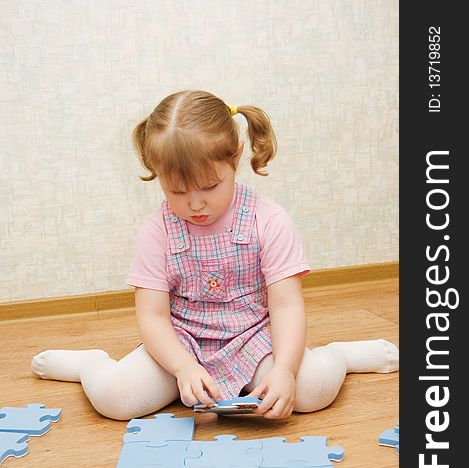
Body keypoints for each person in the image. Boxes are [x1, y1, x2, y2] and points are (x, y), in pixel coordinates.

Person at [31, 90, 398, 420]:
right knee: (116, 399)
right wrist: (181, 368)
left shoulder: (268, 220)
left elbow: (286, 306)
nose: (195, 204)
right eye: (176, 191)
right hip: (182, 340)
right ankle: (90, 365)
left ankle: (340, 356)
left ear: (235, 158)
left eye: (209, 186)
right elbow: (153, 316)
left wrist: (285, 370)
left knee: (310, 390)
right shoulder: (156, 229)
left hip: (254, 337)